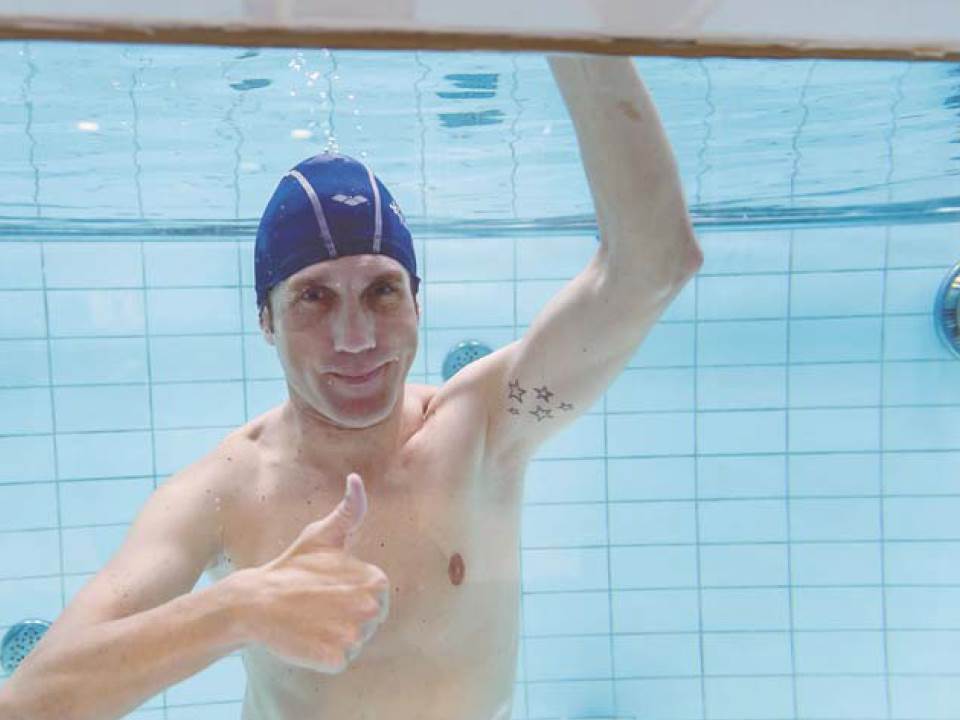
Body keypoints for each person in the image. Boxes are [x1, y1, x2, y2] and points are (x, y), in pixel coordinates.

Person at [0, 54, 702, 720]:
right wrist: (237, 609)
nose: (357, 338)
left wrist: (572, 28)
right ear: (265, 321)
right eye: (312, 298)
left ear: (418, 303)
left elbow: (654, 263)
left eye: (382, 292)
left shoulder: (483, 428)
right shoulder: (223, 493)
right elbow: (25, 704)